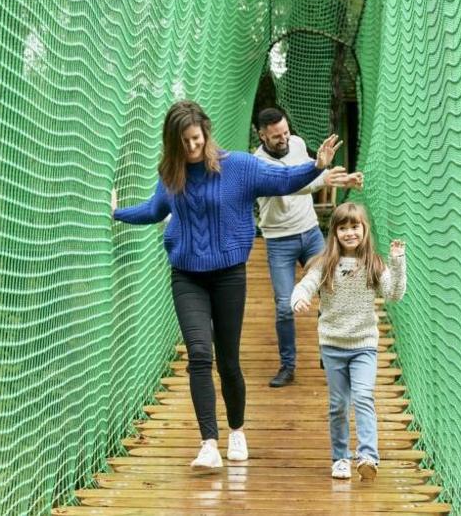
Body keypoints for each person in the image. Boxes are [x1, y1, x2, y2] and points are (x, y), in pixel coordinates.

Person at [112, 100, 341, 469]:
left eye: (195, 139)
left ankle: (236, 430)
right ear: (173, 142)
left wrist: (316, 166)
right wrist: (116, 212)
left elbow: (281, 180)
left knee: (229, 361)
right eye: (183, 142)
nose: (191, 147)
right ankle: (208, 443)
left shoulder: (237, 166)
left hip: (228, 274)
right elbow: (155, 211)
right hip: (186, 274)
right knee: (199, 354)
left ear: (205, 133)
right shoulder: (172, 172)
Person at [290, 202, 406, 481]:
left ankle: (368, 456)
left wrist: (397, 261)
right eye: (343, 228)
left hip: (364, 343)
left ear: (364, 229)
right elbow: (308, 283)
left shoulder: (374, 264)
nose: (350, 233)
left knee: (364, 396)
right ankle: (340, 457)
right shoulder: (325, 263)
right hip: (332, 344)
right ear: (335, 233)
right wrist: (299, 296)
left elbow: (394, 293)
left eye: (355, 227)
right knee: (338, 404)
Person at [253, 108, 363, 387]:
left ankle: (332, 354)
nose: (284, 139)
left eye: (286, 132)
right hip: (279, 239)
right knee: (283, 306)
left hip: (310, 232)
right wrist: (322, 176)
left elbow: (311, 175)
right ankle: (288, 366)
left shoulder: (298, 144)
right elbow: (286, 184)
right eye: (276, 136)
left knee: (331, 289)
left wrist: (338, 178)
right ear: (262, 135)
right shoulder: (257, 163)